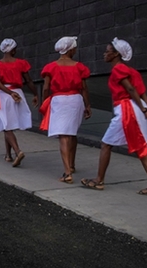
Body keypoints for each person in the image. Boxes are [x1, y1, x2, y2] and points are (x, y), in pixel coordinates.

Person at [81, 38, 147, 196]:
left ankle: (99, 180)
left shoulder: (118, 69)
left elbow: (131, 90)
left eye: (107, 51)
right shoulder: (132, 71)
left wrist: (144, 109)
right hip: (134, 109)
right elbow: (141, 91)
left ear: (117, 54)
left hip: (127, 110)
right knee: (141, 147)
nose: (104, 54)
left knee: (106, 144)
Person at [40, 36, 92, 183]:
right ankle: (72, 165)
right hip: (75, 99)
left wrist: (45, 103)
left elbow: (45, 88)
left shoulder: (50, 67)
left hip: (59, 100)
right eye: (74, 48)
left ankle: (67, 172)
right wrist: (87, 105)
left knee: (63, 136)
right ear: (70, 49)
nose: (75, 50)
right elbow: (84, 88)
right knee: (72, 133)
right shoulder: (79, 66)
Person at [0, 38, 38, 167]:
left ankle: (17, 152)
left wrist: (9, 93)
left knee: (6, 126)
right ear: (13, 50)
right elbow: (28, 80)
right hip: (18, 93)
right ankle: (8, 155)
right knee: (8, 125)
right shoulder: (21, 63)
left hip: (5, 94)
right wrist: (35, 94)